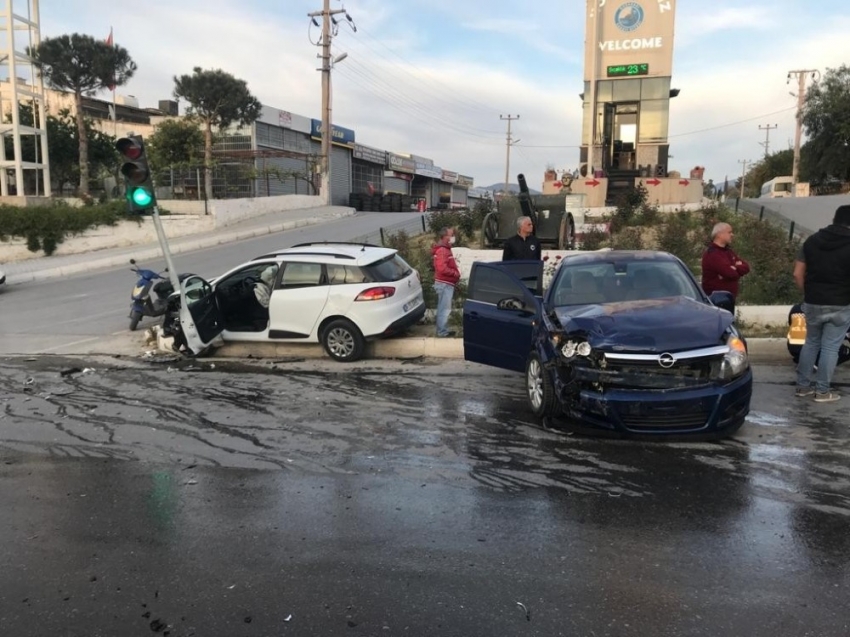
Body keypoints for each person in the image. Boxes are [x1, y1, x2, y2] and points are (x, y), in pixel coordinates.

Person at [792, 204, 850, 403]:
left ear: (834, 219)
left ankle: (802, 387)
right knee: (830, 348)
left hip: (813, 300)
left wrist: (808, 293)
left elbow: (797, 273)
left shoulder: (811, 241)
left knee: (811, 343)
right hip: (841, 303)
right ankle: (823, 392)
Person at [700, 222, 750, 307]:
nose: (732, 235)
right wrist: (736, 267)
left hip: (729, 301)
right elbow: (731, 274)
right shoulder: (713, 254)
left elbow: (746, 267)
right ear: (719, 234)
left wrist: (734, 267)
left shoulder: (728, 252)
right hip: (717, 303)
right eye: (729, 232)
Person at [431, 226, 460, 337]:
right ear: (445, 237)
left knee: (443, 308)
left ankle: (442, 330)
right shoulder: (443, 250)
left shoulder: (445, 249)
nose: (453, 237)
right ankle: (442, 332)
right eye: (451, 235)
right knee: (444, 309)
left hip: (446, 283)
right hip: (444, 284)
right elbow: (442, 268)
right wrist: (455, 274)